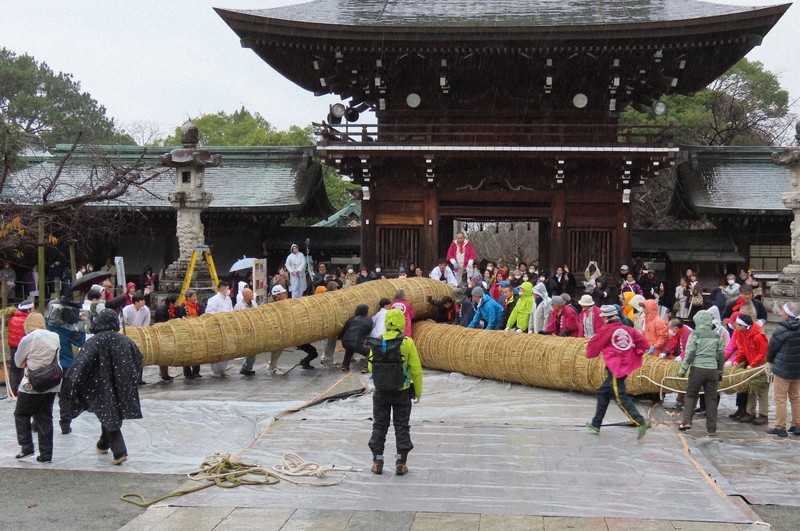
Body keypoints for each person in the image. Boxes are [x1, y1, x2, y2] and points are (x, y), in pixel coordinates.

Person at [66, 309, 143, 466]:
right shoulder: (125, 340)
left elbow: (83, 361)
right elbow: (138, 358)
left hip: (100, 383)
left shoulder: (96, 341)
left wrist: (74, 378)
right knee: (109, 412)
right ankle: (103, 443)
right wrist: (133, 376)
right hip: (124, 384)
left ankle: (119, 451)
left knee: (108, 412)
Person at [367, 309, 423, 476]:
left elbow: (371, 367)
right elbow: (416, 369)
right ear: (401, 323)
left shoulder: (378, 342)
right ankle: (400, 461)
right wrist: (417, 391)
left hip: (381, 392)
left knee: (379, 426)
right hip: (402, 391)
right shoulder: (407, 342)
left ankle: (378, 461)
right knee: (401, 426)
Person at [585, 305, 651, 439]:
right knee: (603, 392)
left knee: (620, 397)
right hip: (625, 364)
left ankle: (640, 422)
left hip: (616, 367)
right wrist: (634, 350)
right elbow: (644, 344)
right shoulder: (628, 329)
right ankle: (596, 424)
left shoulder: (606, 329)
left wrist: (590, 354)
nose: (602, 318)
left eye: (603, 316)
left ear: (607, 317)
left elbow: (594, 344)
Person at [13, 312, 61, 463]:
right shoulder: (55, 336)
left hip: (32, 383)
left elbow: (18, 361)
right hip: (52, 383)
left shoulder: (29, 338)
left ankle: (26, 447)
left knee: (21, 414)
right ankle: (46, 455)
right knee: (45, 417)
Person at [676, 310, 724, 435]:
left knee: (691, 395)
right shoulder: (716, 335)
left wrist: (683, 370)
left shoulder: (695, 334)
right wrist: (720, 371)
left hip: (697, 369)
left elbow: (690, 353)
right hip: (712, 370)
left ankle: (686, 422)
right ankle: (711, 429)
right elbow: (720, 355)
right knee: (711, 399)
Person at [764, 302, 800, 437]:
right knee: (796, 398)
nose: (780, 313)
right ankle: (797, 425)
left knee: (780, 399)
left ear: (787, 313)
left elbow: (772, 348)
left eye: (782, 311)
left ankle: (780, 427)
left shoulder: (782, 329)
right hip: (797, 369)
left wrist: (769, 360)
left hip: (782, 369)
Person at [731, 314, 769, 425]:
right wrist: (737, 361)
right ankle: (750, 412)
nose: (735, 326)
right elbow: (742, 349)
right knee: (751, 388)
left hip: (761, 365)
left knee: (762, 390)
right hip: (751, 364)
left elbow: (762, 353)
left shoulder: (759, 336)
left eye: (737, 324)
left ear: (744, 326)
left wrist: (752, 364)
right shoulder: (741, 333)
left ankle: (763, 415)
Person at [6, 300, 34, 395]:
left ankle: (12, 389)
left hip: (13, 346)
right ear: (29, 310)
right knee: (24, 366)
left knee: (14, 368)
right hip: (24, 346)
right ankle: (22, 388)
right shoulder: (28, 319)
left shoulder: (12, 318)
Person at [153, 294, 184, 381]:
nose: (178, 303)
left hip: (170, 334)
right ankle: (164, 374)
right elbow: (161, 323)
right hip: (162, 334)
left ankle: (164, 373)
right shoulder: (161, 309)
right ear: (171, 303)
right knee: (164, 354)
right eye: (177, 301)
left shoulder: (175, 308)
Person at [205, 281, 233, 376]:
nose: (227, 290)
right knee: (217, 349)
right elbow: (209, 313)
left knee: (226, 349)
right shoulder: (213, 300)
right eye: (225, 288)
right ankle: (216, 370)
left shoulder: (228, 299)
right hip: (216, 326)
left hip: (227, 326)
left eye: (227, 288)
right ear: (221, 289)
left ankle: (222, 369)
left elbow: (231, 311)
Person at [234, 288, 261, 376]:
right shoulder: (238, 306)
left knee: (253, 351)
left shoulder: (254, 303)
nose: (252, 294)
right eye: (250, 293)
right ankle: (246, 368)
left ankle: (247, 368)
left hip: (254, 330)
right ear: (245, 296)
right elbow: (236, 319)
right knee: (250, 350)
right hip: (245, 330)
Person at [340, 304, 374, 372]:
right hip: (356, 342)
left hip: (345, 342)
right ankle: (365, 367)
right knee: (369, 352)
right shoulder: (369, 321)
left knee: (349, 349)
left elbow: (344, 330)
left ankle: (345, 366)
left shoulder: (351, 319)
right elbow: (368, 334)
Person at [181, 290, 203, 379]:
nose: (195, 298)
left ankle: (196, 371)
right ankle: (187, 372)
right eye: (193, 296)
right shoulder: (182, 307)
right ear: (188, 298)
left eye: (195, 296)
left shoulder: (197, 306)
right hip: (187, 331)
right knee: (187, 352)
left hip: (197, 330)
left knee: (197, 351)